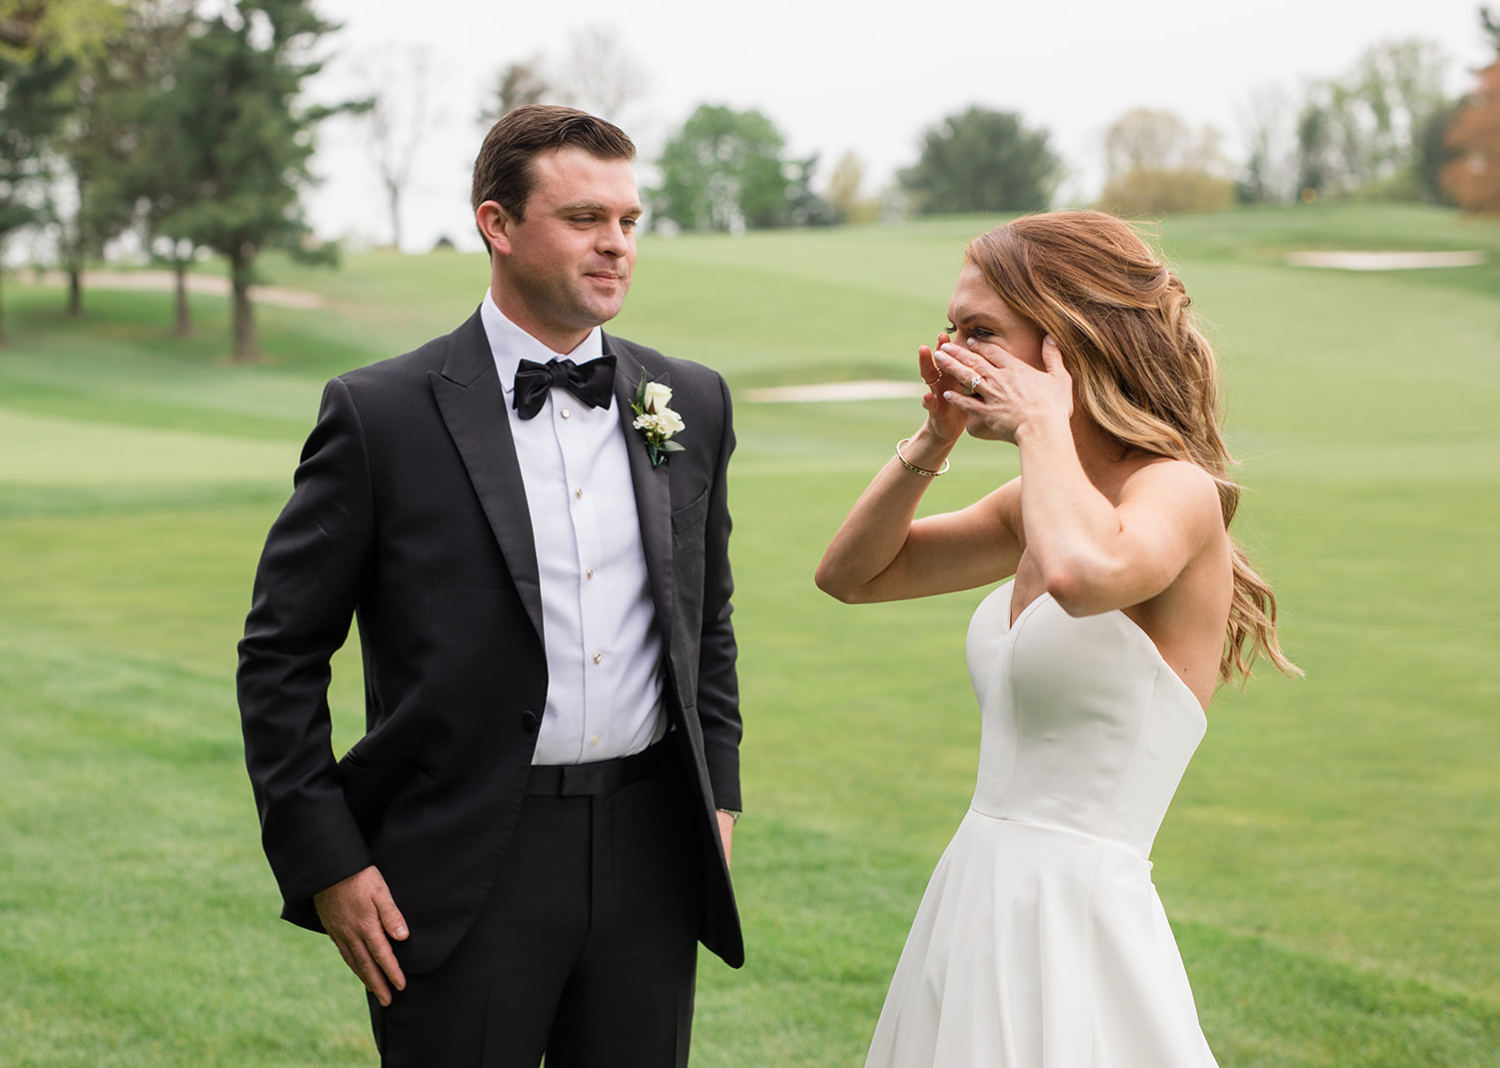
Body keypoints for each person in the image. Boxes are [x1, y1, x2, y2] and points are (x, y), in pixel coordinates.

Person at [236, 105, 743, 1068]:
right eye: (586, 218)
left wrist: (716, 793)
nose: (616, 246)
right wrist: (328, 858)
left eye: (630, 222)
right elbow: (280, 654)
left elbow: (705, 615)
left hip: (651, 850)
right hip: (462, 857)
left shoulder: (691, 401)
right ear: (497, 225)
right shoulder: (378, 413)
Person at [816, 211, 1298, 1067]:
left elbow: (1083, 578)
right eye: (951, 330)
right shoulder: (1030, 506)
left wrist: (1042, 424)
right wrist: (933, 439)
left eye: (980, 332)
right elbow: (854, 575)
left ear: (1064, 342)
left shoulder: (1178, 493)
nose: (953, 353)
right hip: (975, 886)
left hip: (1079, 916)